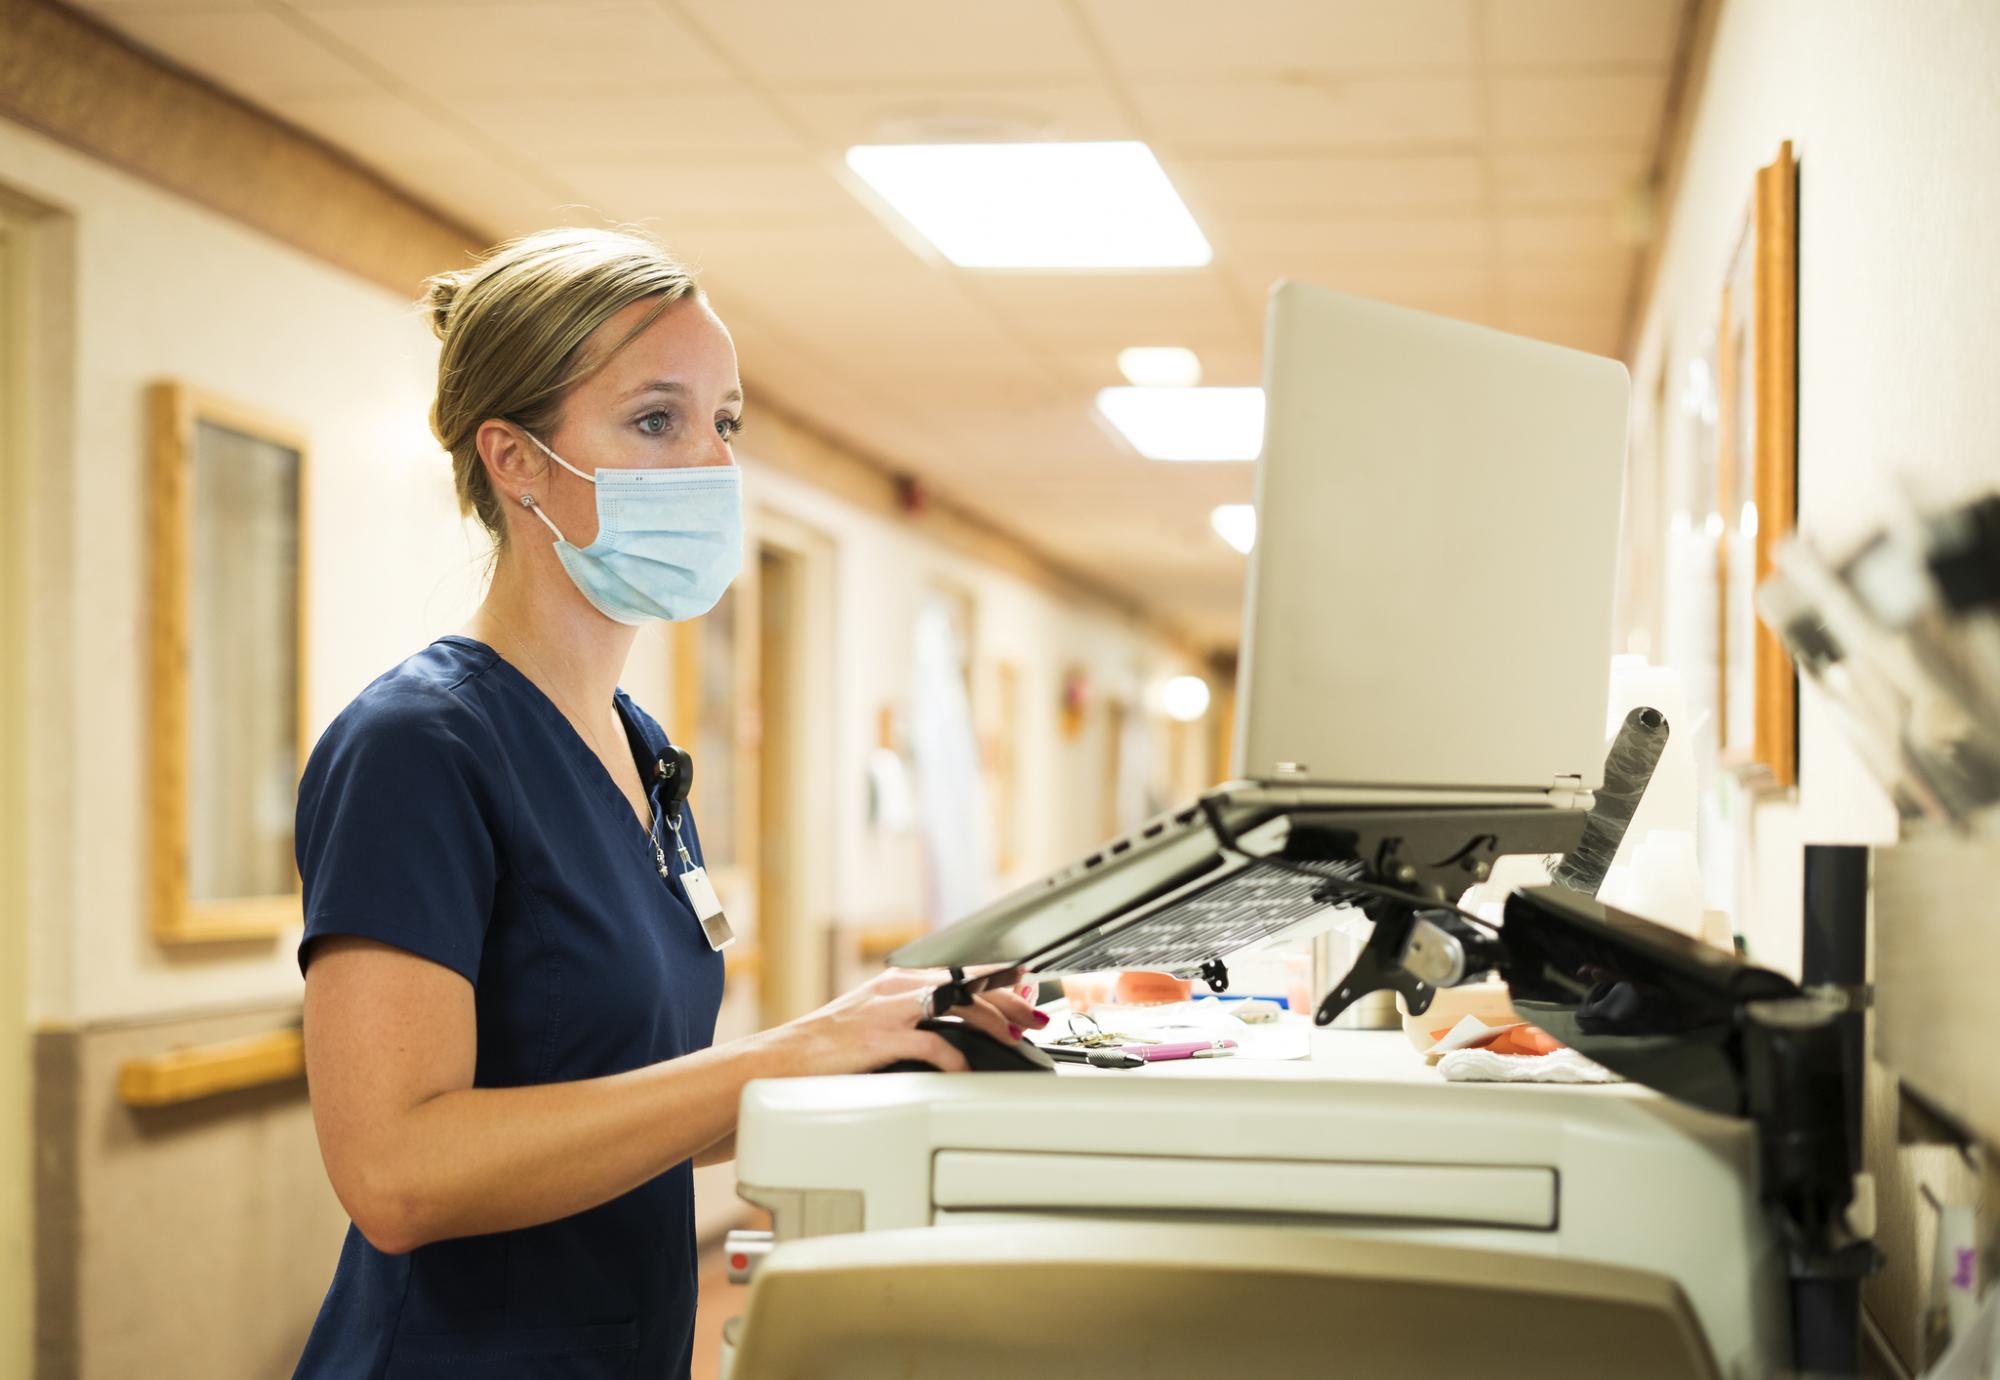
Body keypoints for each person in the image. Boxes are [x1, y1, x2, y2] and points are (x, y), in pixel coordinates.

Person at [290, 226, 1042, 1379]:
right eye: (656, 420)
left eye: (723, 422)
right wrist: (794, 1051)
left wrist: (882, 1043)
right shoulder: (419, 748)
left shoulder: (642, 757)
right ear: (517, 461)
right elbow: (396, 1175)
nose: (710, 463)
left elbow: (620, 1109)